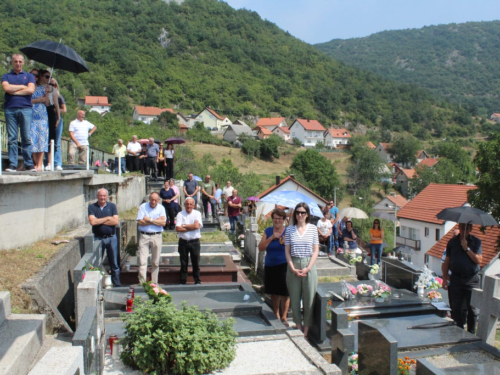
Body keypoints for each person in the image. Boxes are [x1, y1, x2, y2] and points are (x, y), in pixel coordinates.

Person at [285, 203, 319, 338]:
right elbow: (287, 251)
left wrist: (308, 267)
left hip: (308, 264)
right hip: (294, 263)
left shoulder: (313, 229)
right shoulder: (289, 230)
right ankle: (298, 328)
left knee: (309, 299)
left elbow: (315, 250)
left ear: (307, 214)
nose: (300, 215)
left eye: (303, 212)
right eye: (298, 212)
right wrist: (292, 267)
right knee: (294, 298)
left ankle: (306, 330)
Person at [442, 223, 482, 333]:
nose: (465, 230)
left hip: (471, 280)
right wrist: (444, 278)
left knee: (472, 309)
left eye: (467, 228)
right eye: (463, 227)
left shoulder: (476, 242)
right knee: (457, 308)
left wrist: (466, 248)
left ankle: (471, 333)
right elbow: (447, 261)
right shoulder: (452, 242)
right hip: (456, 279)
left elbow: (479, 260)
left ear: (471, 229)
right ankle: (458, 332)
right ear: (459, 228)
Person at [2, 53, 36, 173]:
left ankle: (29, 164)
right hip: (10, 109)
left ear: (23, 63)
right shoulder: (6, 76)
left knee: (26, 137)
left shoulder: (29, 76)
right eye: (15, 61)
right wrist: (22, 87)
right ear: (12, 62)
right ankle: (12, 164)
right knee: (12, 138)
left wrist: (14, 91)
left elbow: (31, 90)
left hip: (26, 109)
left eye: (20, 61)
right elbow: (6, 88)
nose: (18, 63)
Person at [258, 208, 290, 326]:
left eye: (280, 219)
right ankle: (276, 313)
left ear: (283, 220)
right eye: (275, 218)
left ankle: (284, 316)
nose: (277, 221)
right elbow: (261, 247)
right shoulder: (268, 231)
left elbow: (293, 249)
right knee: (274, 292)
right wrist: (271, 238)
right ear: (272, 219)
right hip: (270, 264)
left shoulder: (288, 232)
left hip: (284, 265)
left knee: (285, 292)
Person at [88, 189, 121, 287]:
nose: (103, 198)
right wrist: (108, 218)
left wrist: (99, 220)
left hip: (112, 238)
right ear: (97, 196)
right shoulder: (92, 207)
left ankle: (117, 284)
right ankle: (98, 285)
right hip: (98, 238)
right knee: (97, 263)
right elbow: (92, 222)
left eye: (104, 196)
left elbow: (116, 222)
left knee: (114, 263)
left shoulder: (112, 206)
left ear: (107, 196)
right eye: (101, 196)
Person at [136, 192, 166, 284]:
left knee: (155, 262)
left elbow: (163, 223)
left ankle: (154, 283)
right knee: (142, 261)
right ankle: (142, 282)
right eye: (152, 199)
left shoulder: (161, 208)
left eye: (155, 200)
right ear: (149, 199)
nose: (153, 202)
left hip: (156, 236)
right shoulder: (143, 207)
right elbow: (140, 222)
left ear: (158, 200)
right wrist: (157, 221)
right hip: (144, 236)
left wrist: (149, 219)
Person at [176, 197, 203, 284]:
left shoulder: (197, 213)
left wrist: (184, 225)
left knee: (196, 262)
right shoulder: (180, 214)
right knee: (183, 263)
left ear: (194, 205)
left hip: (194, 242)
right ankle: (183, 280)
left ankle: (197, 280)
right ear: (184, 204)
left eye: (191, 204)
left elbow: (196, 226)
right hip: (183, 242)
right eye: (187, 204)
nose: (189, 206)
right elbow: (177, 228)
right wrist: (190, 227)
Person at [29, 69, 49, 171]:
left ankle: (40, 163)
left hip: (42, 117)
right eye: (32, 75)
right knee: (32, 141)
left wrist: (48, 93)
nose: (34, 77)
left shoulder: (44, 88)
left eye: (36, 75)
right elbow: (26, 101)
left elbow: (48, 102)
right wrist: (38, 100)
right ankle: (35, 163)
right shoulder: (29, 88)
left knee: (41, 140)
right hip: (31, 117)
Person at [44, 74, 60, 171]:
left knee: (51, 138)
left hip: (50, 112)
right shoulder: (38, 88)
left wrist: (58, 118)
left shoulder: (52, 90)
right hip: (40, 112)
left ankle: (50, 162)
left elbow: (56, 105)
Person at [52, 80, 66, 171]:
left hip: (57, 119)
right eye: (50, 84)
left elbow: (64, 109)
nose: (52, 86)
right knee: (48, 142)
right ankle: (49, 162)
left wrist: (56, 110)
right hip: (48, 119)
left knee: (56, 142)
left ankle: (57, 163)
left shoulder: (59, 96)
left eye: (54, 84)